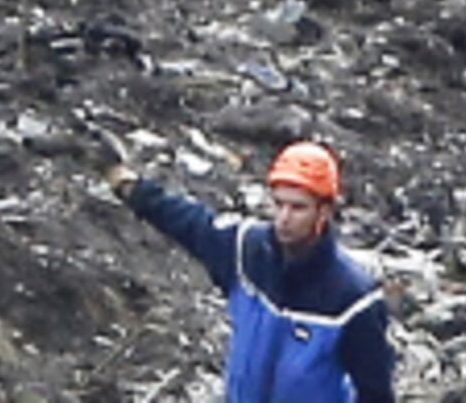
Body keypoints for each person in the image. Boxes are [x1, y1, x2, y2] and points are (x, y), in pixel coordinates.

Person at [107, 140, 395, 401]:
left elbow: (376, 394)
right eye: (278, 204)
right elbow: (190, 223)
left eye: (298, 208)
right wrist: (130, 188)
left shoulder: (353, 299)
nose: (284, 218)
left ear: (325, 212)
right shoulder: (246, 251)